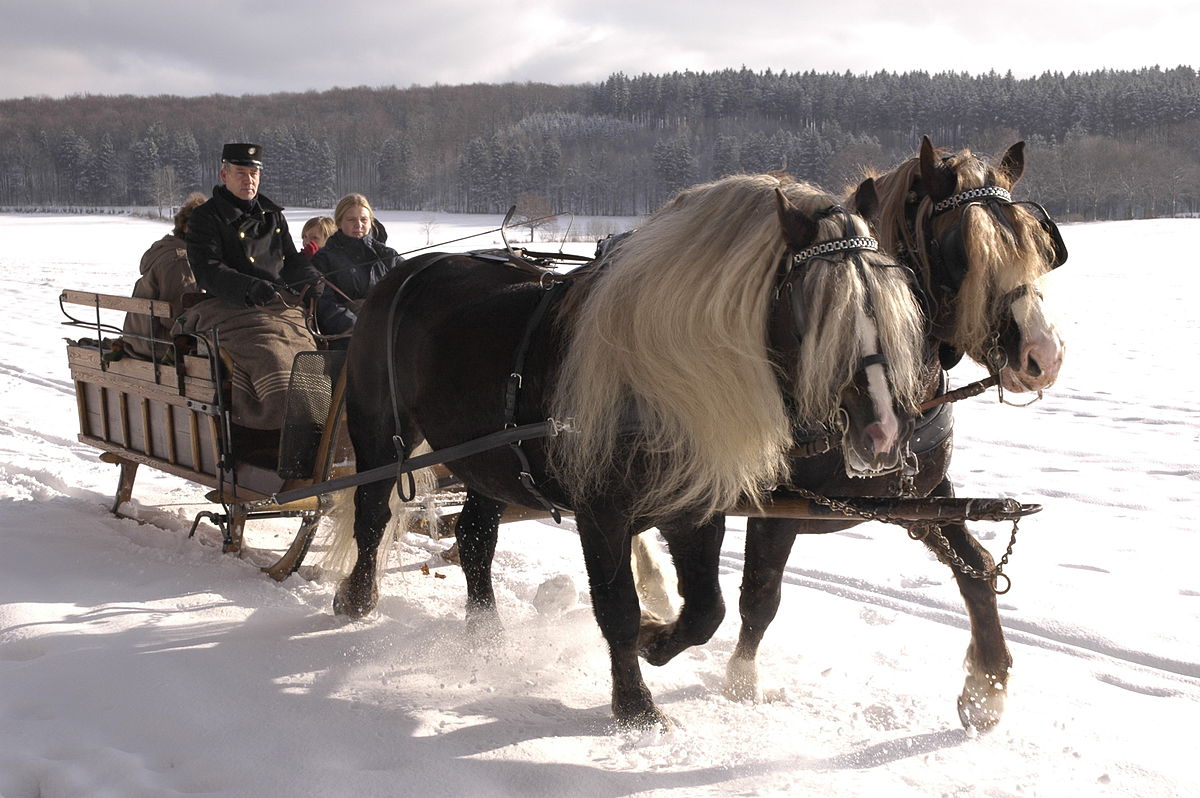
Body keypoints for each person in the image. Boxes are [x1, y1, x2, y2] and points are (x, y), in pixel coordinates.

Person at [179, 142, 322, 431]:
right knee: (272, 355)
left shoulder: (273, 215)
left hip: (278, 308)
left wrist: (311, 277)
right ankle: (279, 424)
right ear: (224, 175)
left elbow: (291, 259)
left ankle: (316, 422)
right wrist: (249, 287)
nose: (249, 180)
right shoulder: (206, 218)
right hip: (229, 309)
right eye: (241, 173)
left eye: (253, 173)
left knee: (310, 358)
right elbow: (208, 271)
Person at [121, 191, 207, 360]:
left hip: (141, 339)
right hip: (158, 343)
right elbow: (178, 319)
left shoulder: (169, 249)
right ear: (186, 227)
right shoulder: (180, 260)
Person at [312, 193, 404, 341]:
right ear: (339, 223)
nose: (358, 225)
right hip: (348, 335)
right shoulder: (324, 258)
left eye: (363, 219)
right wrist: (356, 326)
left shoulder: (388, 255)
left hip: (389, 328)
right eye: (351, 220)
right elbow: (324, 303)